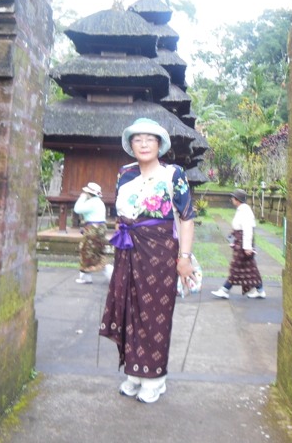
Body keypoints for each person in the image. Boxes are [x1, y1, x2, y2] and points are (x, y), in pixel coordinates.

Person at [99, 117, 196, 404]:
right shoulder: (125, 174)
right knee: (129, 309)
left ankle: (154, 379)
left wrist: (184, 258)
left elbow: (187, 218)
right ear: (131, 145)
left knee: (154, 313)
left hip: (160, 253)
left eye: (149, 139)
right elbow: (120, 215)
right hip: (127, 249)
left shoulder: (173, 174)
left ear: (159, 145)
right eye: (137, 139)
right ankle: (134, 373)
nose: (143, 144)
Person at [211, 188, 266, 299]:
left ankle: (225, 289)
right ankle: (260, 290)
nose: (231, 199)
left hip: (243, 243)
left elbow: (248, 229)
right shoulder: (241, 209)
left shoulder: (245, 211)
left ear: (237, 199)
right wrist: (233, 233)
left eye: (233, 198)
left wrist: (247, 247)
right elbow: (239, 225)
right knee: (250, 267)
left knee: (235, 267)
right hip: (239, 241)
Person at [73, 182, 111, 284]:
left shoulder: (92, 202)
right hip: (99, 229)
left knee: (87, 251)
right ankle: (87, 276)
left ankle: (87, 276)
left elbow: (77, 209)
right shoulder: (99, 202)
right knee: (96, 251)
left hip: (93, 230)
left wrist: (82, 197)